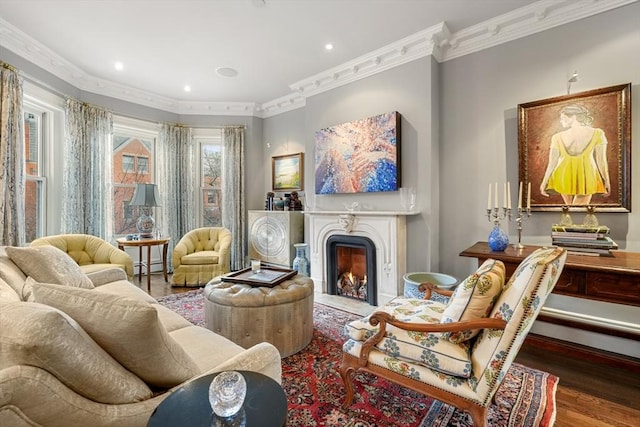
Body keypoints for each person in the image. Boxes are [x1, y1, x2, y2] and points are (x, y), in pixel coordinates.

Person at [539, 104, 610, 206]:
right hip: (587, 175)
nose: (561, 121)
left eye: (563, 118)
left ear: (574, 117)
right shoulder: (598, 133)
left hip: (563, 174)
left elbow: (552, 163)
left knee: (570, 211)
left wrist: (544, 183)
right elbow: (601, 161)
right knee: (576, 212)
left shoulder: (557, 137)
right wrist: (606, 181)